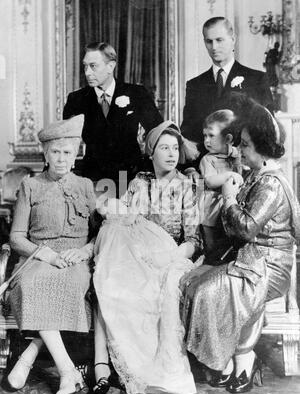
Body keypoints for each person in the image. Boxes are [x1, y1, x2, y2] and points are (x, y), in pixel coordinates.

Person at [180, 103, 300, 394]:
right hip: (250, 261)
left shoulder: (271, 183)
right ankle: (225, 362)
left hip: (269, 267)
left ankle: (242, 360)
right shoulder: (257, 175)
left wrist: (230, 198)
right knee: (194, 285)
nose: (241, 150)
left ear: (262, 147)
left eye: (246, 145)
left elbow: (245, 228)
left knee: (211, 290)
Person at [91, 120, 201, 394]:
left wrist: (171, 257)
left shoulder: (186, 186)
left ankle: (156, 371)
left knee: (160, 290)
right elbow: (121, 221)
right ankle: (104, 363)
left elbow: (193, 240)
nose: (171, 153)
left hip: (172, 255)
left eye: (175, 147)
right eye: (164, 147)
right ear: (151, 152)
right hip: (136, 254)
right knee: (112, 280)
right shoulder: (140, 183)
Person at [5, 115, 97, 394]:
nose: (60, 158)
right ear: (45, 154)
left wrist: (84, 251)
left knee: (68, 288)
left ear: (75, 155)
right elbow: (16, 237)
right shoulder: (30, 186)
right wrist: (43, 253)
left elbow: (100, 234)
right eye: (54, 152)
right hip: (37, 259)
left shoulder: (86, 186)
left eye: (66, 152)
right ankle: (68, 370)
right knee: (32, 286)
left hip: (75, 261)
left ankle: (28, 357)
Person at [63, 42, 163, 187]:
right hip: (94, 178)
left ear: (111, 66)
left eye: (93, 66)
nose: (87, 72)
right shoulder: (76, 99)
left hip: (131, 177)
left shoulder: (136, 93)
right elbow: (65, 142)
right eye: (85, 66)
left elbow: (158, 132)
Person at [181, 16, 274, 169]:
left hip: (244, 168)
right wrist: (192, 169)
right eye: (208, 41)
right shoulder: (195, 85)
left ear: (233, 39)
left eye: (219, 40)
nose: (214, 47)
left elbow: (268, 129)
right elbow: (189, 133)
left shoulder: (257, 79)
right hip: (205, 170)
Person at [199, 109, 243, 264]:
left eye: (211, 135)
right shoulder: (207, 159)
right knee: (212, 244)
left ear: (228, 139)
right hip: (212, 207)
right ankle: (211, 264)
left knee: (231, 242)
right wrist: (229, 175)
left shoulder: (236, 154)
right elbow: (210, 181)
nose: (206, 141)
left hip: (231, 205)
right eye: (205, 136)